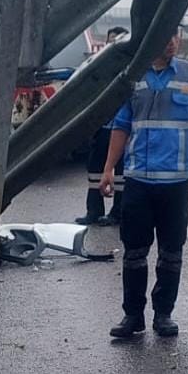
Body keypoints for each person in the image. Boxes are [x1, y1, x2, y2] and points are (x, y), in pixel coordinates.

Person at [99, 30, 188, 339]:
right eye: (165, 35)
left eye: (175, 36)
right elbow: (121, 126)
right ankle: (133, 315)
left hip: (176, 182)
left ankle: (163, 314)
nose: (170, 41)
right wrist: (108, 169)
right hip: (139, 180)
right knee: (134, 252)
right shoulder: (133, 77)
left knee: (171, 252)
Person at [78, 26, 131, 226]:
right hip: (102, 129)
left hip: (121, 130)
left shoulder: (131, 68)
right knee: (94, 169)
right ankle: (94, 211)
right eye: (111, 41)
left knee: (121, 174)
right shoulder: (100, 69)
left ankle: (118, 213)